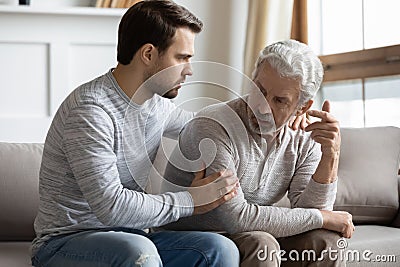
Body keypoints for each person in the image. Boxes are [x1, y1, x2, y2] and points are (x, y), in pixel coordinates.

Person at [31, 1, 242, 266]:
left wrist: (273, 108)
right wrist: (190, 200)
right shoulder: (91, 110)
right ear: (149, 54)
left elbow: (207, 124)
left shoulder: (158, 105)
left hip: (132, 237)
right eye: (182, 57)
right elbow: (111, 206)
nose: (190, 70)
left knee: (219, 249)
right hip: (65, 243)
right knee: (138, 250)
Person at [162, 40, 355, 267]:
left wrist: (330, 154)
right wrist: (322, 217)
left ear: (302, 107)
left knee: (327, 242)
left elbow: (313, 213)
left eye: (279, 101)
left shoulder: (304, 137)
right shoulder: (214, 125)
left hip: (248, 233)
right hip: (192, 238)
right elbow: (235, 217)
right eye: (259, 90)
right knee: (262, 244)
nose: (262, 107)